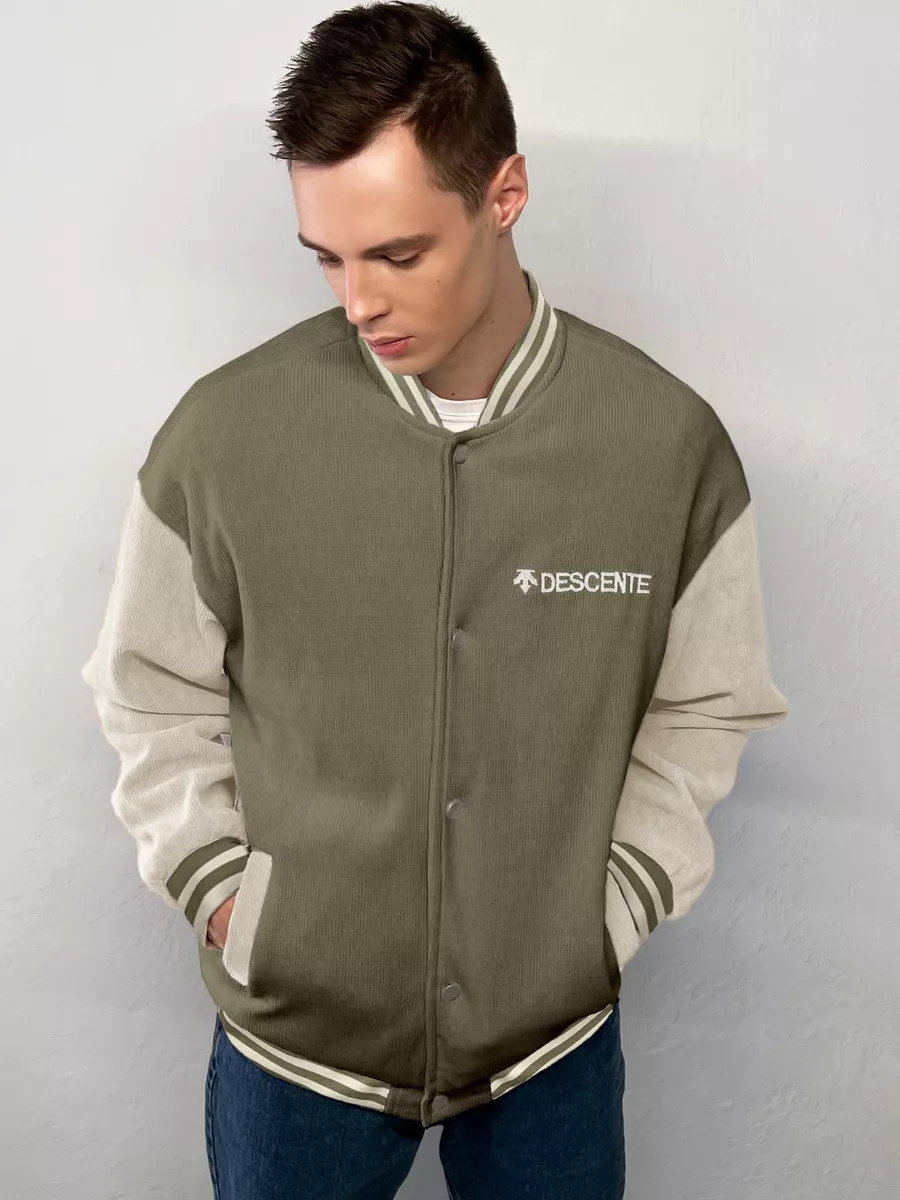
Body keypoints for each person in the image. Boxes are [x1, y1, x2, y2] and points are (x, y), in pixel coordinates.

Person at [80, 2, 791, 1196]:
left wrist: (610, 911)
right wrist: (224, 894)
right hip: (298, 1052)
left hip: (552, 1050)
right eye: (328, 256)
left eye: (398, 255)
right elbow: (147, 690)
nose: (357, 300)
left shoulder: (666, 448)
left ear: (504, 195)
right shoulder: (224, 438)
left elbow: (710, 702)